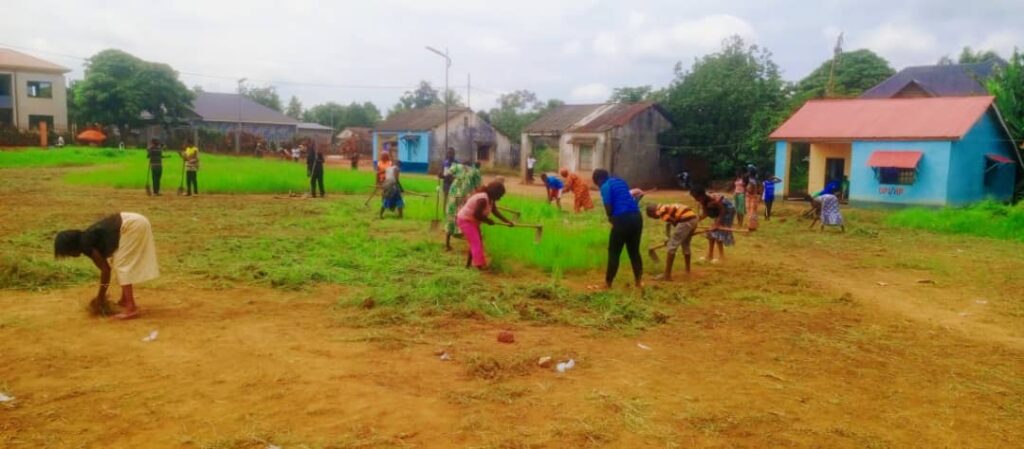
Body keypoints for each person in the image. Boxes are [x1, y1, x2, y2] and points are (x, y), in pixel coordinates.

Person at [53, 212, 160, 320]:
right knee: (118, 261)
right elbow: (106, 268)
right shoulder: (87, 238)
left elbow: (105, 270)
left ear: (72, 246)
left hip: (132, 225)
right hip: (134, 221)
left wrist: (101, 296)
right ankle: (125, 300)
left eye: (68, 252)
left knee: (122, 265)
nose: (70, 255)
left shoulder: (86, 244)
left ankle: (130, 308)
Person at [593, 169, 643, 289]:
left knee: (614, 252)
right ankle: (639, 282)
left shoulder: (605, 186)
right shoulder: (620, 181)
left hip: (622, 218)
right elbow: (626, 198)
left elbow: (608, 208)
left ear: (598, 180)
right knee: (634, 251)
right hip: (637, 217)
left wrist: (611, 218)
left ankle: (608, 283)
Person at [457, 182, 515, 270]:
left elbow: (495, 211)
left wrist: (507, 222)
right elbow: (477, 214)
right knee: (476, 243)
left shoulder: (490, 199)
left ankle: (468, 266)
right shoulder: (483, 199)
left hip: (472, 221)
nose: (500, 197)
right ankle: (479, 266)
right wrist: (488, 221)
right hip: (465, 221)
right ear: (495, 193)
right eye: (500, 195)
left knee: (476, 242)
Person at [646, 203, 699, 281]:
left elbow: (674, 222)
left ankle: (666, 275)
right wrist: (669, 237)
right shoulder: (665, 207)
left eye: (653, 217)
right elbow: (669, 224)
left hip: (685, 221)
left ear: (653, 212)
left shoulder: (661, 212)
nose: (655, 218)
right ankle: (687, 270)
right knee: (685, 243)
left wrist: (672, 240)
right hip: (693, 219)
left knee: (671, 247)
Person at [690, 186, 735, 264]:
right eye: (694, 197)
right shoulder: (703, 201)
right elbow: (705, 214)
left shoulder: (714, 200)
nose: (696, 199)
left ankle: (722, 257)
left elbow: (722, 211)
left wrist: (717, 223)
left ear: (702, 195)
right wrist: (695, 220)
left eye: (697, 197)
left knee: (717, 232)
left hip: (727, 211)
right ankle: (710, 255)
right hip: (720, 212)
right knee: (710, 233)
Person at [444, 162, 476, 250]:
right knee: (464, 218)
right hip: (463, 197)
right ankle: (469, 243)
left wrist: (453, 178)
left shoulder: (457, 167)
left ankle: (448, 244)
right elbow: (475, 186)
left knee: (452, 217)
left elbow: (447, 175)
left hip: (457, 196)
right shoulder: (472, 171)